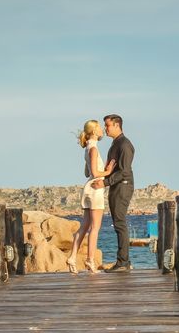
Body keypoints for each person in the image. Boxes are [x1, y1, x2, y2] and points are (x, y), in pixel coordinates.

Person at [67, 120, 115, 274]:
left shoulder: (88, 148)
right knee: (95, 228)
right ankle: (90, 260)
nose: (102, 130)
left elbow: (86, 173)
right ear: (94, 131)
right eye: (99, 127)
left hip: (88, 188)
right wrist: (108, 171)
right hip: (95, 189)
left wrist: (101, 167)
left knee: (85, 226)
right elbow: (94, 173)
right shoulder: (93, 149)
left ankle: (73, 257)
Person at [91, 114, 135, 272]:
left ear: (117, 125)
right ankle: (123, 261)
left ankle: (123, 263)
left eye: (108, 125)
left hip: (122, 186)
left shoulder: (124, 145)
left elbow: (124, 171)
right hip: (116, 186)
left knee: (120, 223)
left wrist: (105, 182)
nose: (105, 128)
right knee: (118, 224)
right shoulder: (116, 144)